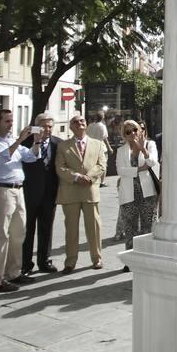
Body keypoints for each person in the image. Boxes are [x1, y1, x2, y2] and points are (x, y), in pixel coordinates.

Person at [0, 109, 39, 293]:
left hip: (18, 189)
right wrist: (20, 139)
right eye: (7, 121)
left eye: (12, 121)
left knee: (18, 233)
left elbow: (31, 156)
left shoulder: (10, 141)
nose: (11, 124)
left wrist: (36, 141)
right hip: (0, 190)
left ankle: (14, 271)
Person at [55, 115, 108, 273]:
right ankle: (70, 261)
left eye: (82, 121)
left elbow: (101, 165)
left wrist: (89, 177)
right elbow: (60, 167)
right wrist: (76, 177)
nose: (79, 124)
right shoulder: (63, 146)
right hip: (71, 191)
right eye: (75, 122)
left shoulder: (97, 144)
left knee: (94, 227)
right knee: (71, 228)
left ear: (86, 125)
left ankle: (97, 258)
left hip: (90, 190)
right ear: (70, 127)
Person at [20, 114, 61, 275]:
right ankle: (25, 263)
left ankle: (44, 261)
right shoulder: (25, 142)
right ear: (37, 126)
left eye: (50, 126)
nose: (47, 129)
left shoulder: (58, 143)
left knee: (46, 228)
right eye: (44, 126)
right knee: (28, 229)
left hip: (50, 193)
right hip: (29, 191)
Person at [113, 120, 160, 248]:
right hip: (128, 194)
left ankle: (147, 255)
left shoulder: (150, 145)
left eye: (135, 130)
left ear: (140, 130)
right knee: (130, 228)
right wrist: (139, 169)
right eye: (128, 131)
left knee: (148, 226)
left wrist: (142, 149)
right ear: (124, 135)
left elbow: (152, 162)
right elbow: (120, 170)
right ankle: (129, 258)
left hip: (147, 192)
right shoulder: (121, 150)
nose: (132, 133)